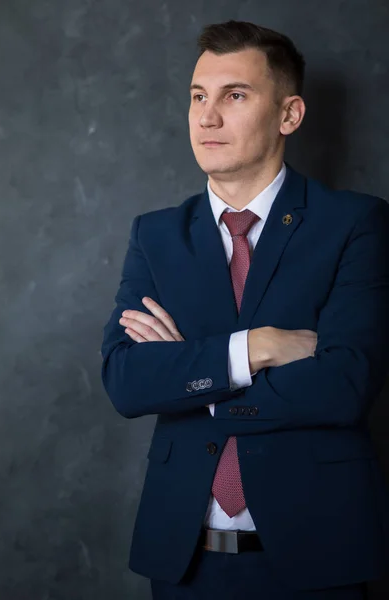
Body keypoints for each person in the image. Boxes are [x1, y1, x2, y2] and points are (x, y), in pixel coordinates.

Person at [100, 19, 389, 600]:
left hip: (318, 557)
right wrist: (255, 347)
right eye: (197, 97)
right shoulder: (155, 235)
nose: (207, 118)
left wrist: (190, 381)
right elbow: (127, 383)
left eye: (234, 96)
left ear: (289, 115)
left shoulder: (356, 223)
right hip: (183, 560)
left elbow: (343, 384)